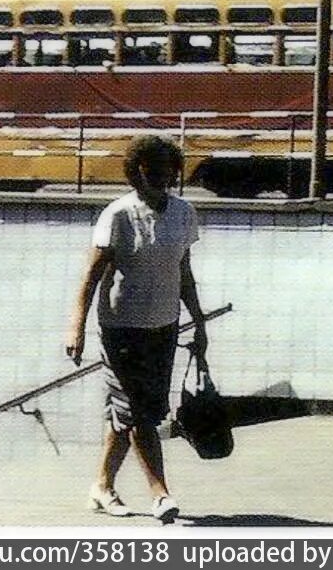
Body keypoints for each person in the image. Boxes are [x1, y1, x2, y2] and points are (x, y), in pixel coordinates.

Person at [65, 135, 209, 524]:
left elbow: (184, 272)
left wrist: (197, 321)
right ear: (135, 171)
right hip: (120, 329)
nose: (160, 175)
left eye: (166, 168)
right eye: (151, 168)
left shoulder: (184, 213)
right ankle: (160, 494)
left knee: (132, 413)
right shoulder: (119, 214)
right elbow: (91, 277)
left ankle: (102, 486)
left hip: (164, 326)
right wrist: (76, 327)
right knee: (140, 414)